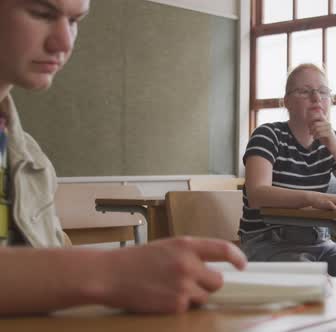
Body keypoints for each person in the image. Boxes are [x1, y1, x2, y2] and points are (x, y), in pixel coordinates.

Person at [0, 0, 246, 315]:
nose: (64, 42)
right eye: (41, 14)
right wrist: (108, 272)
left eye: (75, 21)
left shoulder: (31, 159)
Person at [239, 63, 336, 277]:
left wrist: (334, 146)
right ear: (287, 102)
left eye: (323, 91)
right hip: (267, 241)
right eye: (304, 91)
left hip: (319, 241)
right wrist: (313, 198)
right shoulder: (268, 135)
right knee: (313, 280)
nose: (316, 97)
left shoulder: (332, 141)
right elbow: (257, 194)